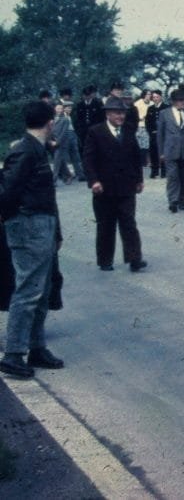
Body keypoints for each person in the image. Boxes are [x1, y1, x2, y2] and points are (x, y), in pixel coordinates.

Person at [0, 101, 65, 379]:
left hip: (43, 225)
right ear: (50, 123)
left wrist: (56, 231)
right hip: (29, 226)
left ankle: (37, 347)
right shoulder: (25, 151)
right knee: (28, 290)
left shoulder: (35, 150)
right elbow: (5, 194)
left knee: (43, 289)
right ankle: (14, 353)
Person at [83, 97, 147, 273]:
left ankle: (135, 259)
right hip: (104, 188)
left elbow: (136, 157)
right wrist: (94, 180)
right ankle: (105, 260)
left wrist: (139, 179)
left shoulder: (128, 130)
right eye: (118, 113)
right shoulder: (95, 132)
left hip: (126, 187)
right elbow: (88, 159)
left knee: (129, 223)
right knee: (106, 225)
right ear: (108, 113)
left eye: (123, 112)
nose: (121, 116)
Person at [144, 90, 167, 178]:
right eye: (153, 97)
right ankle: (154, 171)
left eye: (157, 97)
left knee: (163, 153)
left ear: (161, 97)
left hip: (164, 135)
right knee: (153, 152)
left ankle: (164, 171)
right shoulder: (150, 108)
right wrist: (150, 131)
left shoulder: (166, 107)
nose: (155, 99)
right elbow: (147, 122)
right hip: (153, 134)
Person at [74, 84, 104, 150]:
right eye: (85, 95)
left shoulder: (98, 103)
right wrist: (79, 129)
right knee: (83, 146)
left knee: (95, 145)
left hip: (95, 128)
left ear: (91, 95)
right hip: (83, 130)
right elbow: (77, 118)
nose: (86, 97)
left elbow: (101, 117)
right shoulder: (80, 104)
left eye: (88, 95)